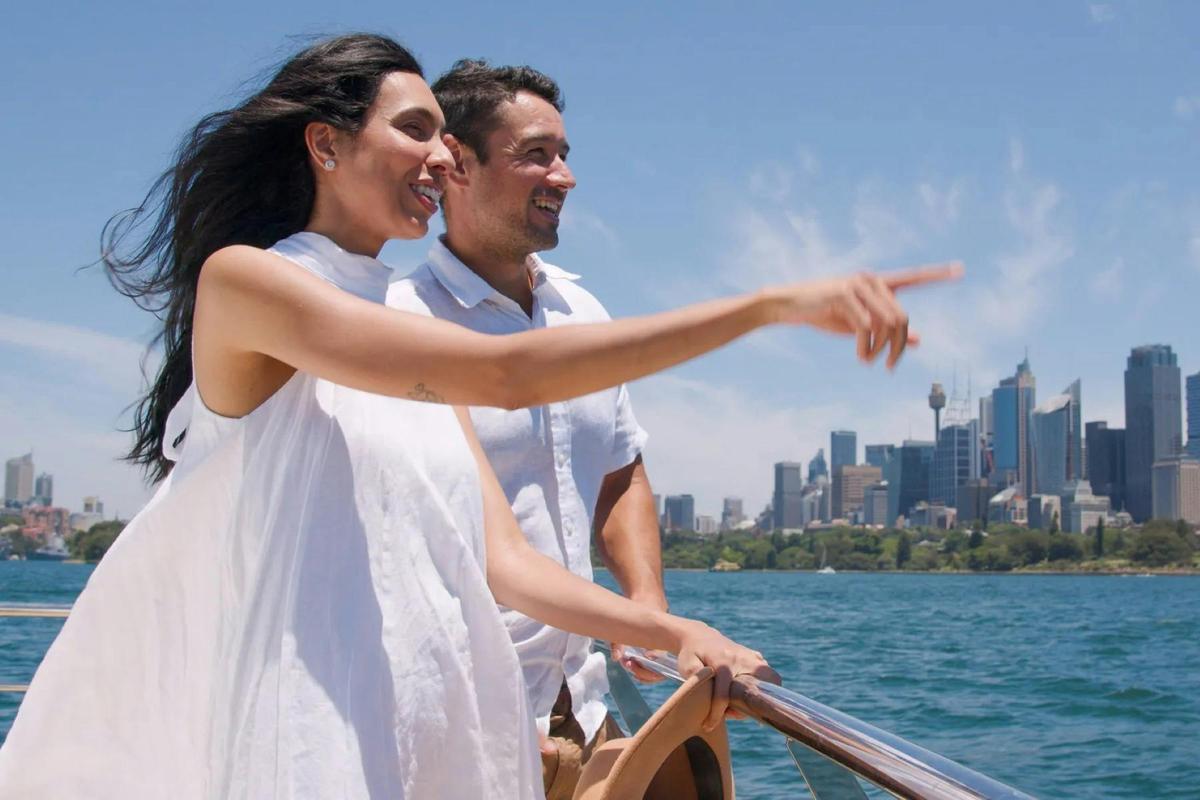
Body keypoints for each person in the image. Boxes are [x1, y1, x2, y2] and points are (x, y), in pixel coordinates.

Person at [0, 33, 957, 800]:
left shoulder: (393, 329)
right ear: (325, 143)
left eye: (444, 138)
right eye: (415, 130)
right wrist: (767, 308)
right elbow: (507, 373)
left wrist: (670, 632)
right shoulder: (252, 282)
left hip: (424, 729)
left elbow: (508, 564)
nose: (439, 156)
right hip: (303, 732)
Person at [385, 60, 665, 799]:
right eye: (536, 154)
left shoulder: (584, 312)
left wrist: (643, 600)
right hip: (467, 720)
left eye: (564, 154)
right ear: (457, 167)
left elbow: (621, 468)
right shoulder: (400, 324)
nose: (564, 176)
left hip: (588, 702)